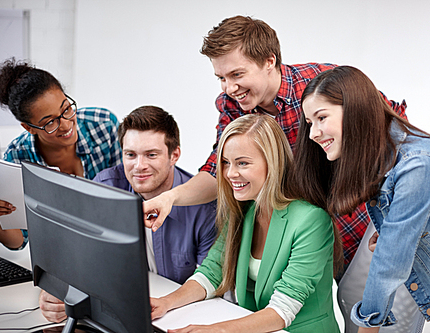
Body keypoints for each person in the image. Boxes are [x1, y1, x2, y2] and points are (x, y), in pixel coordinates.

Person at [143, 15, 406, 272]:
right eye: (221, 78)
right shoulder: (233, 107)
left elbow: (396, 130)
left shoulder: (321, 83)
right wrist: (170, 197)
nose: (229, 88)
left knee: (383, 309)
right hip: (311, 234)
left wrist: (394, 221)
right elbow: (217, 171)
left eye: (237, 74)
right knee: (346, 308)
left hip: (367, 224)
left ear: (270, 61)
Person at [296, 65, 430, 333]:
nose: (313, 133)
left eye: (321, 118)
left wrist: (367, 326)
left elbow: (390, 262)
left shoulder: (418, 163)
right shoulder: (382, 155)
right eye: (310, 123)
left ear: (355, 110)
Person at [150, 114, 340, 333]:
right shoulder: (244, 210)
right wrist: (166, 302)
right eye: (225, 163)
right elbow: (213, 271)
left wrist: (217, 330)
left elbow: (283, 309)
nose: (230, 173)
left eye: (242, 163)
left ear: (273, 163)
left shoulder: (311, 220)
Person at [39, 105, 217, 323]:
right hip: (118, 310)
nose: (139, 166)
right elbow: (79, 254)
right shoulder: (105, 187)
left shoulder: (205, 208)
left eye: (151, 155)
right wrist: (57, 289)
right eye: (130, 155)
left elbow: (209, 281)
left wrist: (167, 304)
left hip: (178, 314)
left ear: (174, 155)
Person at [0, 58, 121, 250]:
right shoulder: (18, 158)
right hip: (62, 251)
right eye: (50, 122)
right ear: (29, 128)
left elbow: (129, 192)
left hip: (113, 242)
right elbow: (20, 241)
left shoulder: (103, 124)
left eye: (66, 109)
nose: (66, 124)